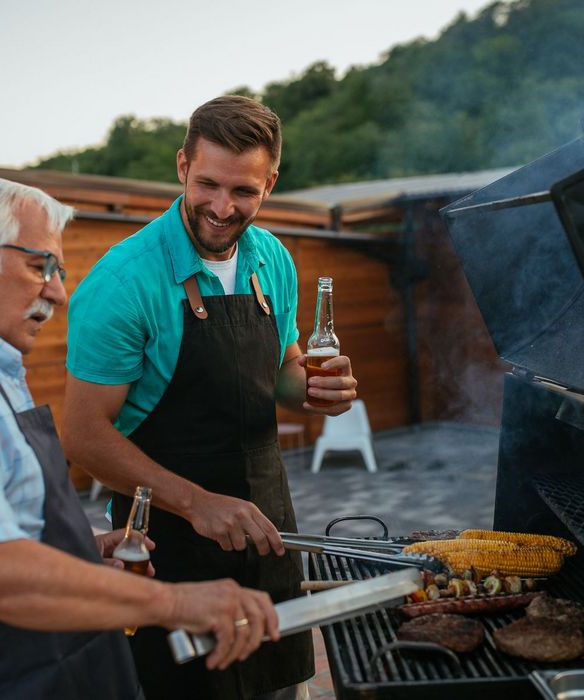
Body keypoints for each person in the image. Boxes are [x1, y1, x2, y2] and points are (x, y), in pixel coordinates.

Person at [0, 176, 280, 700]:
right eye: (39, 266)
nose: (57, 291)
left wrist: (76, 550)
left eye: (58, 271)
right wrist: (176, 604)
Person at [62, 96, 360, 700]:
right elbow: (85, 436)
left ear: (270, 183)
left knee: (281, 686)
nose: (223, 208)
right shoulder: (122, 283)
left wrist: (314, 389)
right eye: (208, 185)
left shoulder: (272, 258)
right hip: (166, 544)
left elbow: (280, 371)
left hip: (268, 526)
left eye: (244, 191)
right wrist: (197, 504)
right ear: (181, 167)